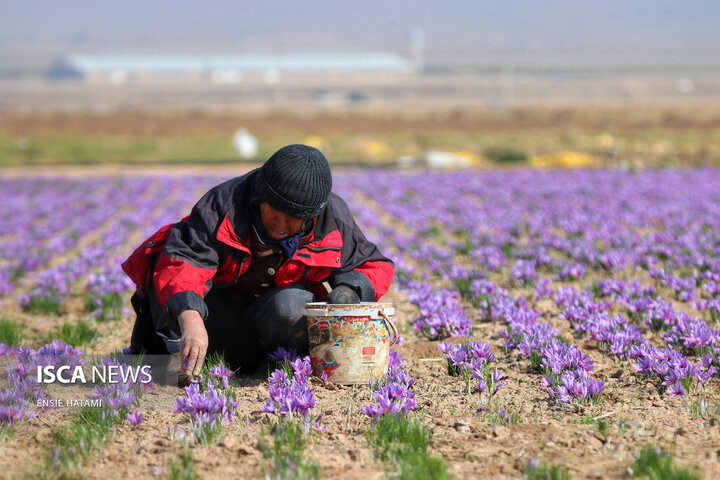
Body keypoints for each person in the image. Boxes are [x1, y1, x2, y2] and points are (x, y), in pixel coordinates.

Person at [122, 144, 395, 376]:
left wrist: (351, 290)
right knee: (164, 262)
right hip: (210, 316)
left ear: (311, 216)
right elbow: (185, 262)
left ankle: (271, 369)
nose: (280, 224)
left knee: (295, 306)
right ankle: (178, 360)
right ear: (260, 197)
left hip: (264, 324)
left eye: (292, 218)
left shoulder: (331, 218)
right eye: (274, 212)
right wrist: (191, 319)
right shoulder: (224, 205)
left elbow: (372, 265)